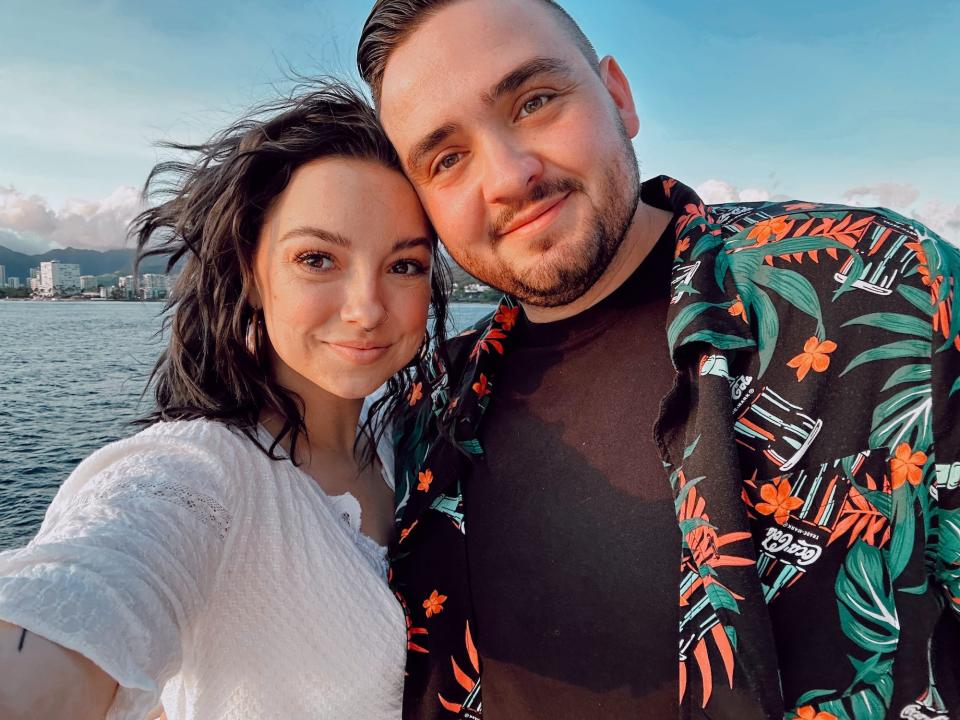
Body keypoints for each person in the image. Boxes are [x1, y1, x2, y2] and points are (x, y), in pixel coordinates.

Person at [356, 1, 960, 719]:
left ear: (619, 97)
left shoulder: (885, 293)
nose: (509, 176)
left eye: (535, 101)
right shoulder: (424, 410)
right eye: (447, 158)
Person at [0, 81, 450, 719]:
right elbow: (96, 575)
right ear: (252, 273)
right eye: (318, 258)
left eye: (404, 265)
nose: (366, 309)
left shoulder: (405, 439)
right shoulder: (201, 475)